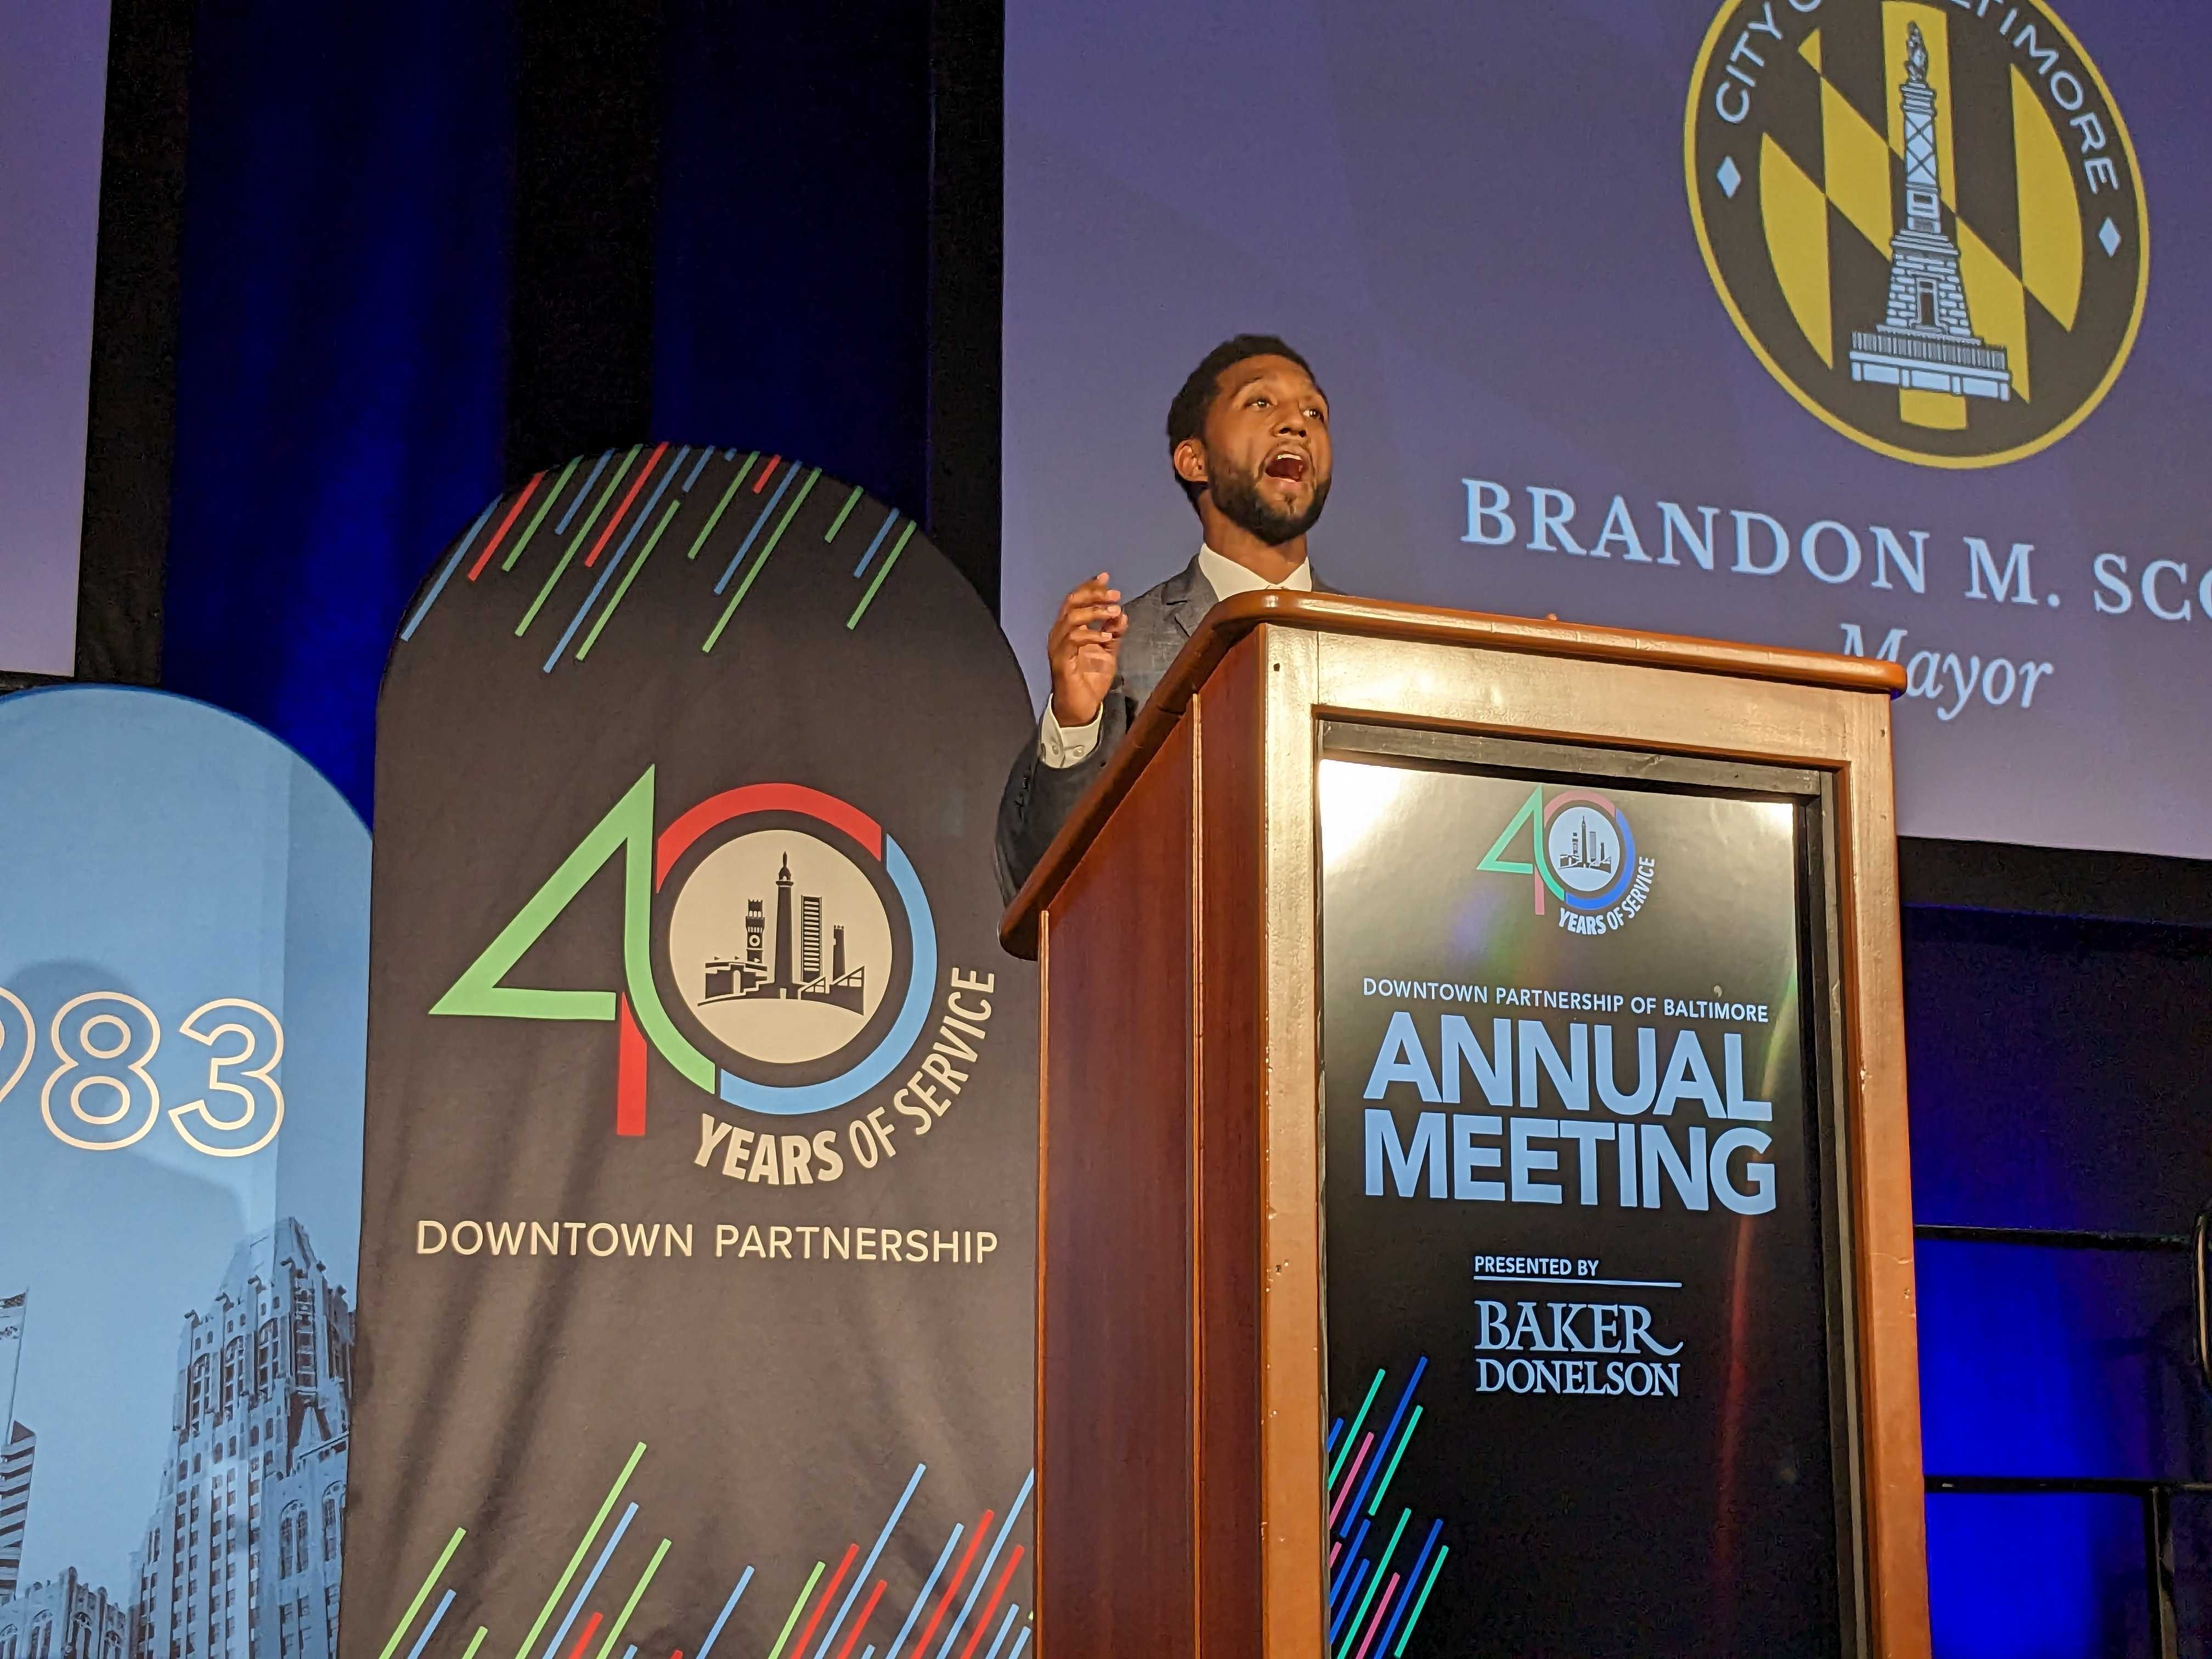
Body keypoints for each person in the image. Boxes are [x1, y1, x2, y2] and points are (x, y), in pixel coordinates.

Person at [996, 334, 1334, 899]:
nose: (1296, 423)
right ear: (1193, 459)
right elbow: (1032, 885)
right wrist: (1075, 724)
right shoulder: (1124, 652)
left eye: (1314, 411)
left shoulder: (1378, 650)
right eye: (1260, 402)